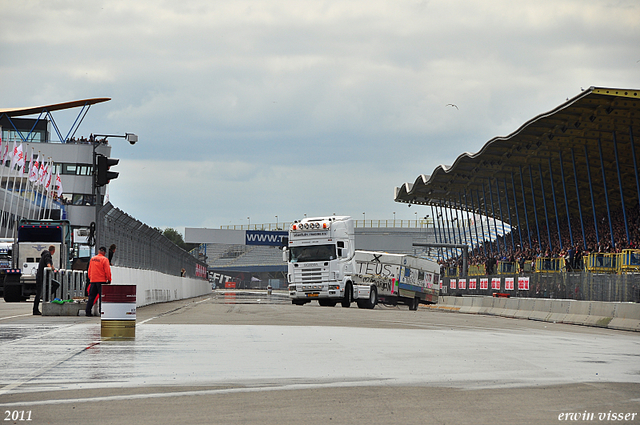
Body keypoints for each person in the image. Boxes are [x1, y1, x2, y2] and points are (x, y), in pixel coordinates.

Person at [85, 246, 112, 317]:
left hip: (93, 280)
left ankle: (88, 311)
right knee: (102, 297)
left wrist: (91, 278)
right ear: (105, 253)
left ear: (99, 251)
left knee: (91, 297)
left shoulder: (92, 259)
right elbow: (107, 271)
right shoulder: (105, 259)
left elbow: (89, 270)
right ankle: (101, 311)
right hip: (101, 281)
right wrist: (109, 279)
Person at [33, 246, 57, 315]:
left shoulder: (46, 255)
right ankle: (35, 309)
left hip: (44, 277)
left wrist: (55, 270)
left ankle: (45, 296)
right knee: (38, 293)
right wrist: (50, 268)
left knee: (56, 284)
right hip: (41, 277)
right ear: (53, 251)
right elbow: (48, 264)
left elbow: (52, 265)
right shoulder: (47, 255)